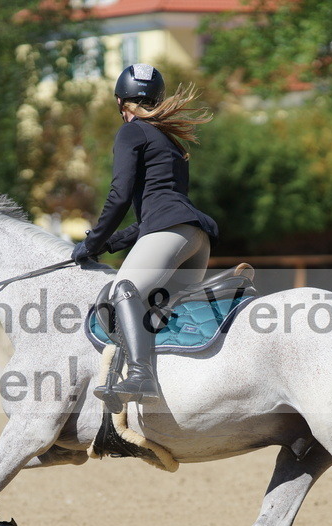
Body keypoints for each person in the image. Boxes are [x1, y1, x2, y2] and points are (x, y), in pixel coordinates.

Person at [71, 63, 218, 405]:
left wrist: (90, 242)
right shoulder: (170, 140)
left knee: (120, 292)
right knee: (155, 314)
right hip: (194, 239)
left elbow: (119, 195)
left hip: (168, 233)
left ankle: (140, 376)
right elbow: (147, 219)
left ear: (122, 103)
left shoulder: (132, 132)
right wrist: (109, 244)